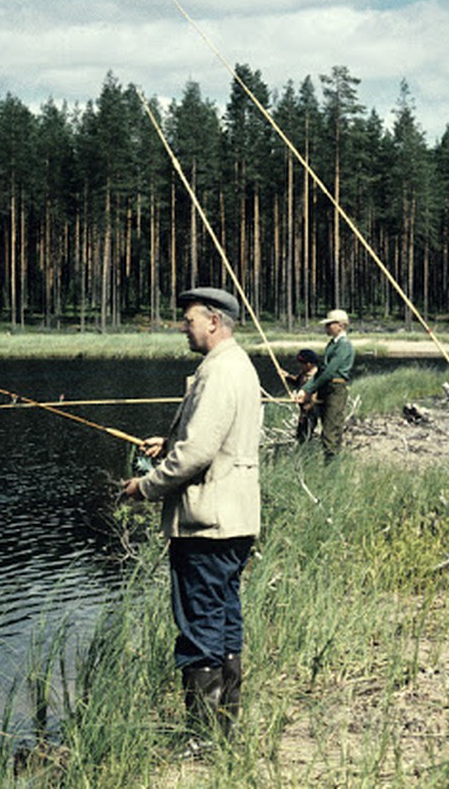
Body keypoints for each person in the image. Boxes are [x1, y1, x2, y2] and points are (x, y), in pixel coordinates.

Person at [122, 287, 262, 740]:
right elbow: (215, 439)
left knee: (200, 627)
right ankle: (225, 726)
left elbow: (197, 455)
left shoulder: (219, 372)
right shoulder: (237, 365)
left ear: (214, 322)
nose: (184, 327)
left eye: (188, 320)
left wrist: (144, 487)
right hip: (234, 520)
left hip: (206, 525)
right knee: (224, 621)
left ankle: (202, 739)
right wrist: (169, 443)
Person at [298, 309, 354, 461]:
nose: (327, 327)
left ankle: (331, 470)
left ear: (340, 326)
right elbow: (321, 370)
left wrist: (309, 388)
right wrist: (305, 389)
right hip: (325, 388)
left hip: (336, 389)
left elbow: (329, 372)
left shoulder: (344, 345)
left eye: (330, 324)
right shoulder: (332, 344)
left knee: (331, 432)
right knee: (314, 425)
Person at [280, 349, 320, 442]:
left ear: (309, 364)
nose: (300, 366)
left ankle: (306, 450)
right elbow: (297, 381)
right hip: (304, 410)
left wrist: (308, 406)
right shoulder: (304, 374)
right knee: (300, 433)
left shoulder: (317, 376)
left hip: (312, 409)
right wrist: (286, 376)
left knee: (306, 433)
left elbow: (316, 395)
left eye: (302, 364)